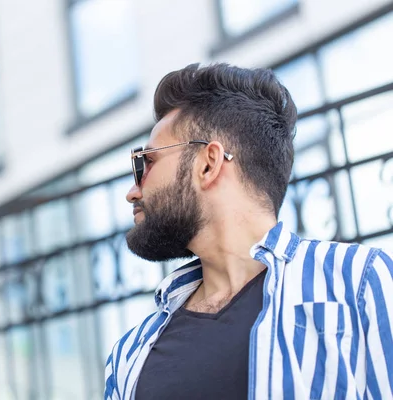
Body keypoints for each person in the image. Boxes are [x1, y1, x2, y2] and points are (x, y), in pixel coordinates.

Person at [104, 63, 393, 400]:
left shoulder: (358, 284)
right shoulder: (128, 356)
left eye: (146, 163)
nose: (133, 191)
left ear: (208, 163)